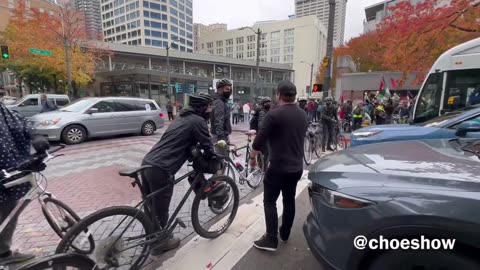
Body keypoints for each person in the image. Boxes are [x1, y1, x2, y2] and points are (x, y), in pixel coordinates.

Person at [142, 93, 227, 254]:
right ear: (202, 108)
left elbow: (182, 141)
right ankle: (159, 244)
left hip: (147, 163)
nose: (211, 110)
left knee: (150, 207)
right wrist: (216, 157)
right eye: (209, 107)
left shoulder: (181, 118)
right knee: (161, 210)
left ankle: (151, 238)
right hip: (162, 168)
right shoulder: (198, 121)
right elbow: (208, 148)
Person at [249, 81, 307, 251]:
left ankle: (271, 239)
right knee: (289, 200)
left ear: (279, 95)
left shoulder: (274, 115)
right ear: (294, 95)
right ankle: (285, 233)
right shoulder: (303, 114)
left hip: (278, 167)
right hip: (296, 167)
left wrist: (252, 159)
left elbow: (259, 140)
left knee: (269, 202)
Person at [0, 104, 36, 265]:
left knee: (11, 205)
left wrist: (36, 135)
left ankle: (3, 252)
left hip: (5, 170)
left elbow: (18, 121)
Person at [211, 79, 233, 156]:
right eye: (227, 89)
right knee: (221, 160)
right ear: (220, 89)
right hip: (220, 136)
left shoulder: (222, 101)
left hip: (223, 134)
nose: (229, 91)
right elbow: (218, 120)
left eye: (230, 89)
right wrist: (221, 137)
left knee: (224, 159)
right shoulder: (219, 102)